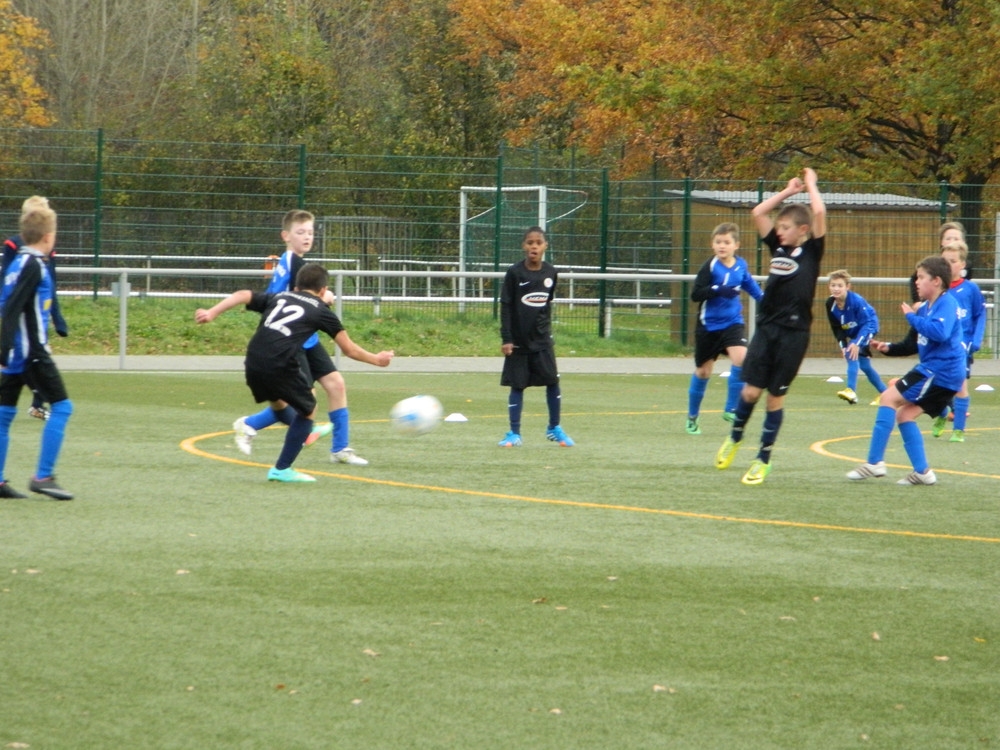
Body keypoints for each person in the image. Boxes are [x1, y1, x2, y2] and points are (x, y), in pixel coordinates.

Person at [195, 263, 394, 482]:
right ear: (323, 290)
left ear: (297, 287)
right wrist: (377, 359)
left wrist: (211, 312)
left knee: (280, 406)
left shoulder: (280, 297)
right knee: (308, 409)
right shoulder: (321, 310)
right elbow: (349, 349)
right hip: (279, 362)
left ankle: (275, 429)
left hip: (253, 359)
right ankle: (282, 468)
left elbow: (243, 294)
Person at [714, 168, 826, 485]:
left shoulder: (812, 251)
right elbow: (758, 212)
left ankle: (763, 459)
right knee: (750, 391)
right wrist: (788, 191)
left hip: (794, 335)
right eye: (779, 227)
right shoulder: (777, 247)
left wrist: (811, 185)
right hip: (766, 330)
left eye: (786, 227)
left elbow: (819, 212)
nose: (779, 231)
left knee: (774, 398)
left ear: (803, 230)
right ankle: (735, 436)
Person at [231, 209, 368, 465]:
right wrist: (326, 298)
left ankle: (340, 449)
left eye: (310, 232)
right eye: (300, 232)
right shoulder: (295, 264)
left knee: (336, 384)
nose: (307, 237)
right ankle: (250, 425)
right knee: (305, 400)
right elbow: (302, 297)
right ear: (286, 236)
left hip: (307, 339)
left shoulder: (290, 261)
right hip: (292, 341)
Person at [848, 256, 965, 485]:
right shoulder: (926, 308)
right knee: (905, 415)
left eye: (921, 277)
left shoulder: (947, 303)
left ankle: (874, 462)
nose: (916, 282)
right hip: (938, 370)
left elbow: (939, 333)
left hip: (941, 370)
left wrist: (911, 316)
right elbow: (913, 344)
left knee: (888, 398)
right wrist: (888, 348)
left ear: (937, 281)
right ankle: (923, 472)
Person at [0, 202, 74, 500]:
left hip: (17, 353)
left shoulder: (18, 262)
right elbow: (12, 308)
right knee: (63, 407)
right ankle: (43, 476)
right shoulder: (33, 265)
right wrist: (4, 349)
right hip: (31, 353)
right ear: (47, 236)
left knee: (4, 414)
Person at [497, 226, 574, 447]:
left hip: (542, 340)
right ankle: (514, 433)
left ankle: (554, 428)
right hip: (518, 341)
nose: (534, 246)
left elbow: (546, 303)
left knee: (552, 382)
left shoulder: (551, 272)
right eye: (530, 242)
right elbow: (506, 306)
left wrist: (545, 331)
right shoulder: (515, 273)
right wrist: (507, 338)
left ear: (545, 246)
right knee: (517, 385)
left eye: (538, 243)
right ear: (524, 246)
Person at [686, 222, 763, 434]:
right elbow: (696, 294)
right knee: (703, 372)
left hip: (732, 323)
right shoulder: (710, 267)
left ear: (736, 245)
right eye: (718, 242)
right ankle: (692, 417)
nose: (722, 246)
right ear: (713, 245)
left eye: (726, 242)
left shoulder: (741, 265)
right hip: (708, 326)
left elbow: (750, 286)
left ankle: (731, 408)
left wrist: (767, 302)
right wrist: (717, 289)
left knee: (742, 359)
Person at [3, 195, 69, 421]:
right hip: (25, 332)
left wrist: (57, 316)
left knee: (5, 410)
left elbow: (50, 286)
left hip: (33, 322)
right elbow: (11, 295)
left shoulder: (42, 256)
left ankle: (37, 404)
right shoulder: (24, 257)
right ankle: (38, 405)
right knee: (63, 406)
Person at [928, 238, 985, 443]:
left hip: (962, 346)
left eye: (953, 261)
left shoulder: (970, 289)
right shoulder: (938, 289)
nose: (948, 265)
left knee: (960, 386)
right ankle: (942, 413)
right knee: (937, 384)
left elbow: (980, 314)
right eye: (945, 261)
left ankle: (959, 430)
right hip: (940, 346)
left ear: (962, 264)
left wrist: (975, 340)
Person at [825, 269, 886, 406]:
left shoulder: (856, 301)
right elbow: (836, 327)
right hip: (854, 331)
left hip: (868, 327)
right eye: (833, 285)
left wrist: (856, 343)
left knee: (851, 353)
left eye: (840, 285)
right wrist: (843, 345)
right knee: (864, 365)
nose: (836, 289)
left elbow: (867, 323)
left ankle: (851, 390)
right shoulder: (830, 303)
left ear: (847, 286)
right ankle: (885, 393)